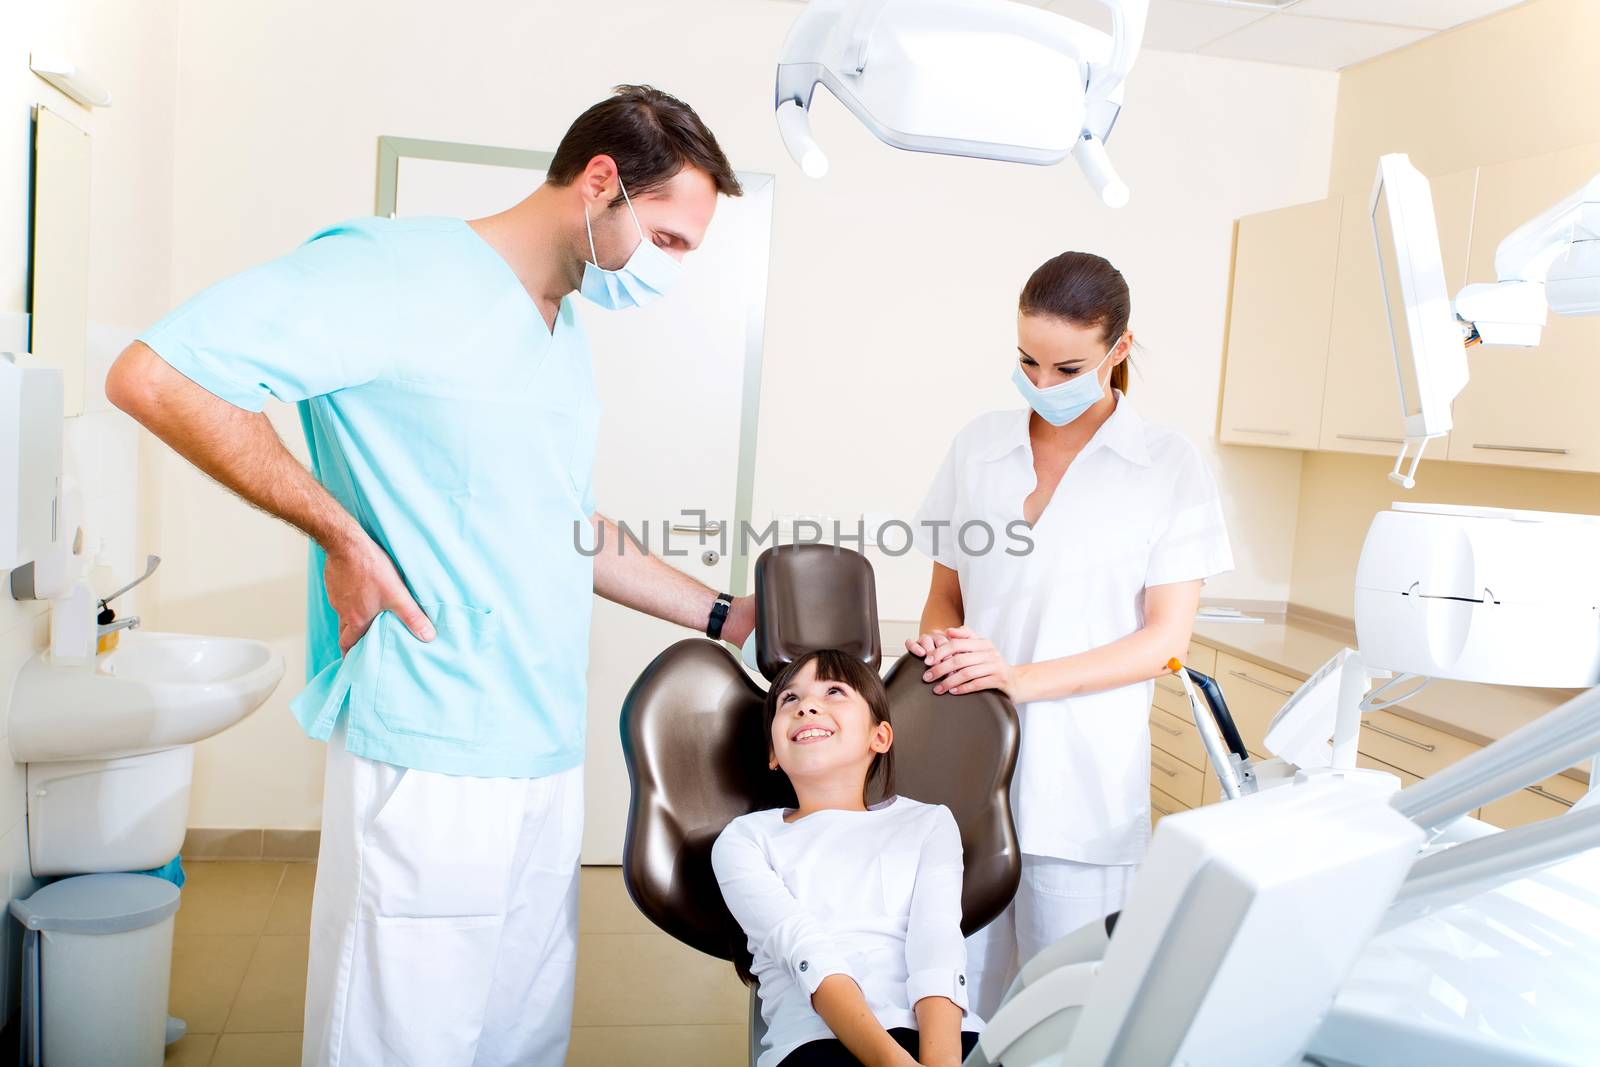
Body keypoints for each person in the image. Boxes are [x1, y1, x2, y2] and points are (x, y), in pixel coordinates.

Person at [106, 86, 758, 1067]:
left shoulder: (559, 325)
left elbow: (562, 525)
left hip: (539, 747)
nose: (669, 272)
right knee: (404, 1038)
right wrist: (339, 534)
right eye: (667, 239)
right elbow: (156, 374)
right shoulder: (391, 271)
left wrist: (722, 612)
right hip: (432, 744)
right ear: (599, 184)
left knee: (517, 1033)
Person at [906, 251, 1234, 1019]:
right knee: (954, 1005)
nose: (1043, 383)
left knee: (1065, 1015)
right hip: (968, 774)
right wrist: (943, 655)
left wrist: (1014, 677)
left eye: (1067, 365)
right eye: (1027, 360)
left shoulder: (1166, 466)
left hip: (1082, 790)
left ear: (1118, 350)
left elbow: (1163, 641)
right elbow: (944, 596)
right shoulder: (978, 447)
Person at [713, 650, 981, 1067]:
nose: (808, 706)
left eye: (834, 691)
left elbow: (938, 948)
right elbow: (810, 956)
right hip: (817, 1039)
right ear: (772, 752)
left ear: (880, 737)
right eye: (789, 700)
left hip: (944, 1035)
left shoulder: (929, 823)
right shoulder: (745, 840)